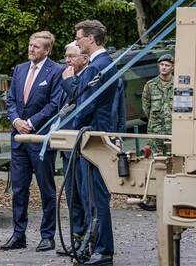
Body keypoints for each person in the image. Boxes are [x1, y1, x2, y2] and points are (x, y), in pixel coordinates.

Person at [0, 31, 64, 253]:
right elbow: (11, 100)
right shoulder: (20, 69)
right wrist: (16, 120)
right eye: (30, 45)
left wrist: (31, 122)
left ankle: (47, 236)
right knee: (19, 189)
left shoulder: (56, 71)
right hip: (18, 138)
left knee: (46, 189)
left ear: (47, 50)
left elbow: (54, 104)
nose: (31, 49)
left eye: (36, 46)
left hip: (39, 138)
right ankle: (18, 235)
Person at [73, 20, 119, 266]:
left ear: (91, 38)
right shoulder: (106, 63)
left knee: (94, 197)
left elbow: (85, 106)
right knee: (93, 195)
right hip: (101, 134)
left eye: (79, 38)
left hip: (92, 139)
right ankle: (96, 247)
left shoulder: (95, 68)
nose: (77, 42)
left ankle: (102, 250)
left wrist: (70, 128)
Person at [56, 41, 89, 256]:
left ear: (84, 58)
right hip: (67, 144)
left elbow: (81, 100)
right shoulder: (67, 77)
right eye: (66, 56)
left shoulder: (87, 76)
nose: (67, 61)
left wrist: (68, 81)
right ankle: (76, 237)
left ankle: (89, 238)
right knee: (72, 194)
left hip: (85, 145)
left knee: (86, 194)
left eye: (71, 56)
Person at [141, 54, 175, 155]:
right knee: (157, 161)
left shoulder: (178, 84)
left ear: (172, 67)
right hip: (156, 132)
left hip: (174, 130)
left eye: (167, 65)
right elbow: (146, 107)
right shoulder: (150, 85)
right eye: (162, 64)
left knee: (175, 159)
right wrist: (155, 121)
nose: (164, 67)